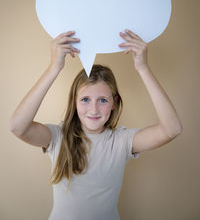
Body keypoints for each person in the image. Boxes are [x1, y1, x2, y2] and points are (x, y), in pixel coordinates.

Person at [9, 29, 183, 220]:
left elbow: (172, 129)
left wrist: (143, 68)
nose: (93, 109)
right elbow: (18, 126)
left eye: (102, 100)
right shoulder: (57, 137)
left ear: (114, 103)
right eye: (85, 100)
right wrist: (54, 68)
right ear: (74, 103)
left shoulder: (121, 141)